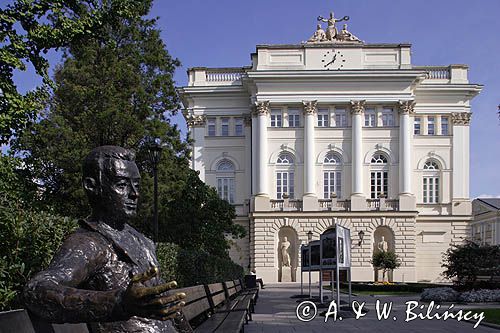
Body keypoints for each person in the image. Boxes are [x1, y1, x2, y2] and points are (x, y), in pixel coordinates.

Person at [23, 146, 189, 333]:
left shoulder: (143, 241)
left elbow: (169, 304)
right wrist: (120, 302)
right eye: (121, 185)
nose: (135, 193)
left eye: (137, 185)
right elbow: (36, 290)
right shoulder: (89, 243)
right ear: (91, 186)